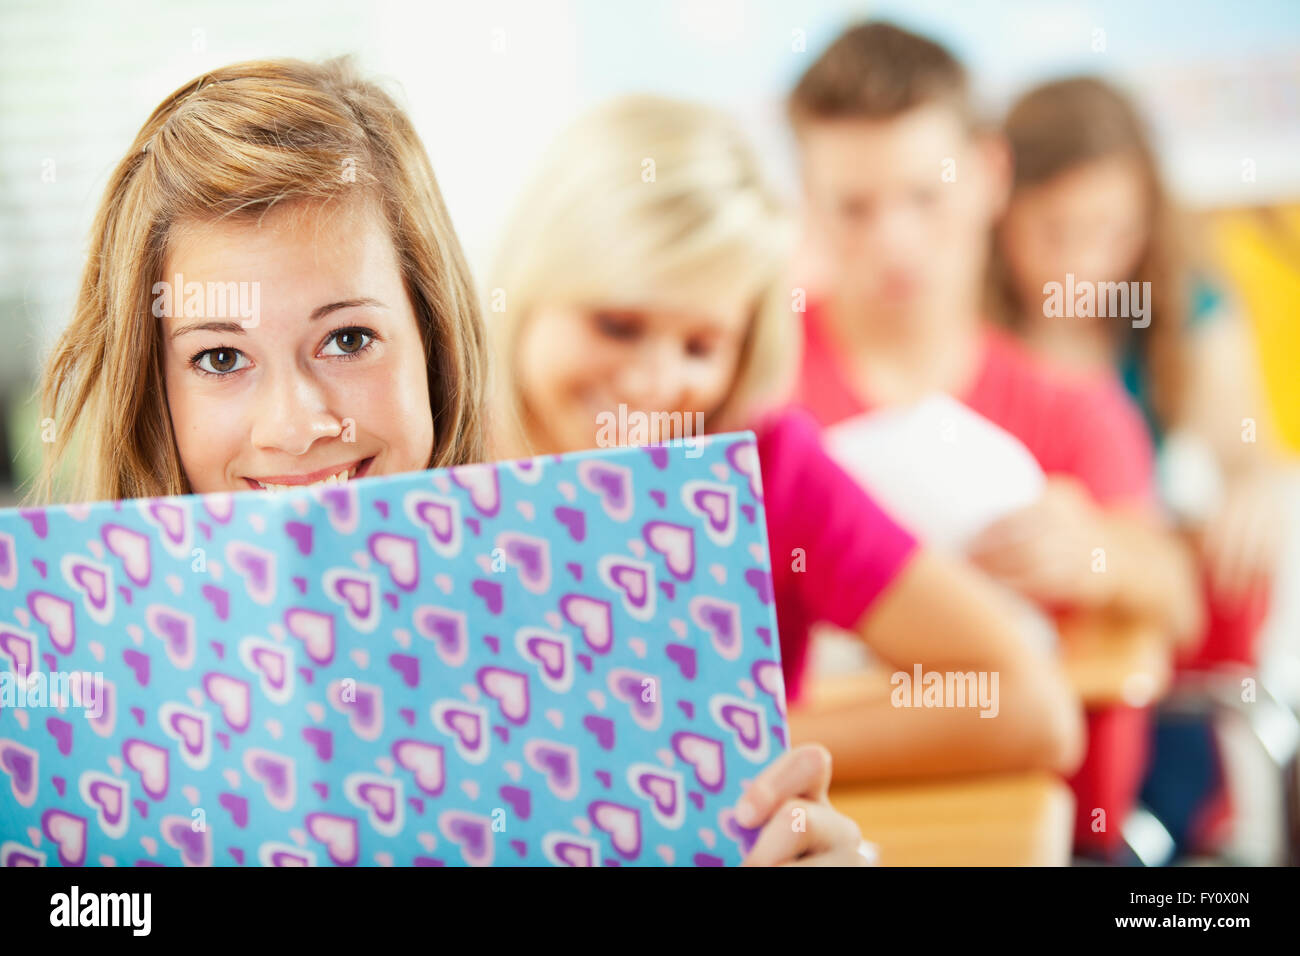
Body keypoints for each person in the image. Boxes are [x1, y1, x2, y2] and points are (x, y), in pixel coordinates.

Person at [31, 57, 857, 866]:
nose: (294, 425)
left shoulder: (591, 644)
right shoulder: (61, 712)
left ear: (434, 344)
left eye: (348, 339)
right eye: (218, 358)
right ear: (154, 387)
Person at [486, 94, 1084, 789]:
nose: (654, 383)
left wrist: (720, 750)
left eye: (700, 345)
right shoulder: (438, 460)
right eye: (616, 325)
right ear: (530, 290)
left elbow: (1031, 705)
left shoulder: (767, 468)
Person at [783, 22, 1203, 856]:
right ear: (805, 199)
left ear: (989, 176)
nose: (894, 241)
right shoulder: (759, 395)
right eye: (853, 206)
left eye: (924, 197)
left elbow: (1179, 600)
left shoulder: (1073, 409)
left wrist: (1098, 555)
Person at [991, 76, 1287, 854]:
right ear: (997, 211)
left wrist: (1257, 486)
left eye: (1111, 232)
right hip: (1010, 603)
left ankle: (1173, 819)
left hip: (1128, 590)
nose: (1084, 265)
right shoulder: (975, 326)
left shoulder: (1176, 308)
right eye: (1054, 230)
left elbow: (1247, 449)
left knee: (1231, 575)